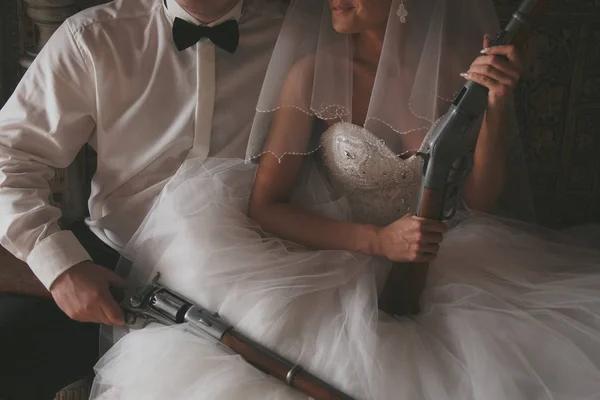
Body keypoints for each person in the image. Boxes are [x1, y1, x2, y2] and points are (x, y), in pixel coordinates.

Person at [90, 0, 600, 399]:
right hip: (334, 255)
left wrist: (495, 104)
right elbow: (265, 208)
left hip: (447, 259)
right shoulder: (313, 71)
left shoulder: (462, 71)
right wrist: (378, 242)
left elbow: (481, 203)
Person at [0, 0, 285, 398]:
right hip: (114, 264)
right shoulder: (92, 36)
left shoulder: (297, 33)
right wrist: (61, 268)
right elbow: (9, 155)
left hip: (249, 276)